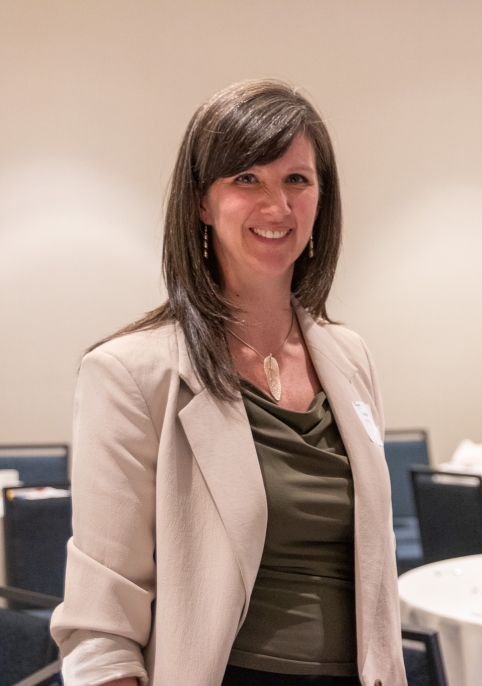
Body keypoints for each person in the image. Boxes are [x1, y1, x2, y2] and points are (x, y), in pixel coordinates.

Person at [50, 80, 406, 686]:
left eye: (297, 180)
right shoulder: (129, 373)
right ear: (201, 203)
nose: (277, 205)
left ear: (322, 199)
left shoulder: (350, 357)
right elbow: (102, 624)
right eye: (247, 179)